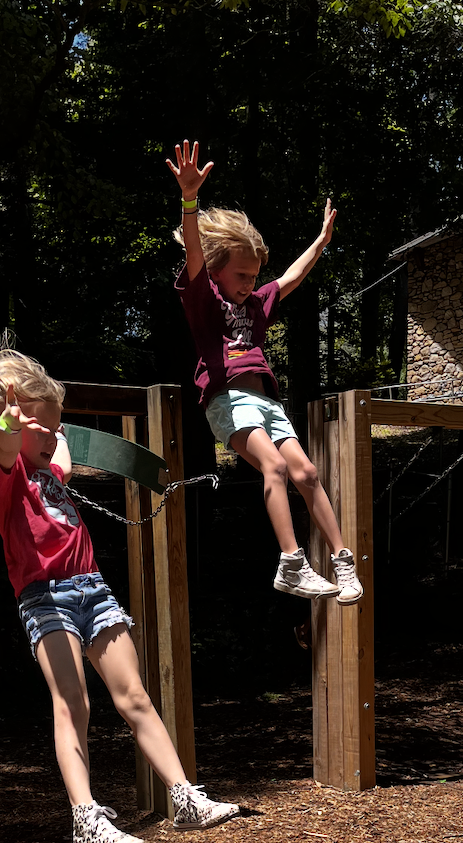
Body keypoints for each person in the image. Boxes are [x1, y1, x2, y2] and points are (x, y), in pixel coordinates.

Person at [0, 348, 239, 843]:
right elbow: (7, 445)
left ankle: (184, 796)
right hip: (45, 597)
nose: (52, 436)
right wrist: (11, 419)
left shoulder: (49, 471)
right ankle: (86, 820)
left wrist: (52, 429)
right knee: (73, 701)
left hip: (93, 589)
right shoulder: (0, 477)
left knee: (134, 696)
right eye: (44, 429)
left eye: (56, 428)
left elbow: (62, 455)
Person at [166, 139, 362, 607]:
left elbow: (291, 278)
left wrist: (321, 242)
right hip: (227, 400)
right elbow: (194, 249)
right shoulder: (203, 300)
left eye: (254, 276)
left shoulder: (256, 305)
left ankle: (343, 560)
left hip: (266, 403)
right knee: (273, 466)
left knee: (307, 473)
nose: (250, 284)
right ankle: (291, 563)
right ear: (216, 273)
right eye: (242, 276)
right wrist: (189, 200)